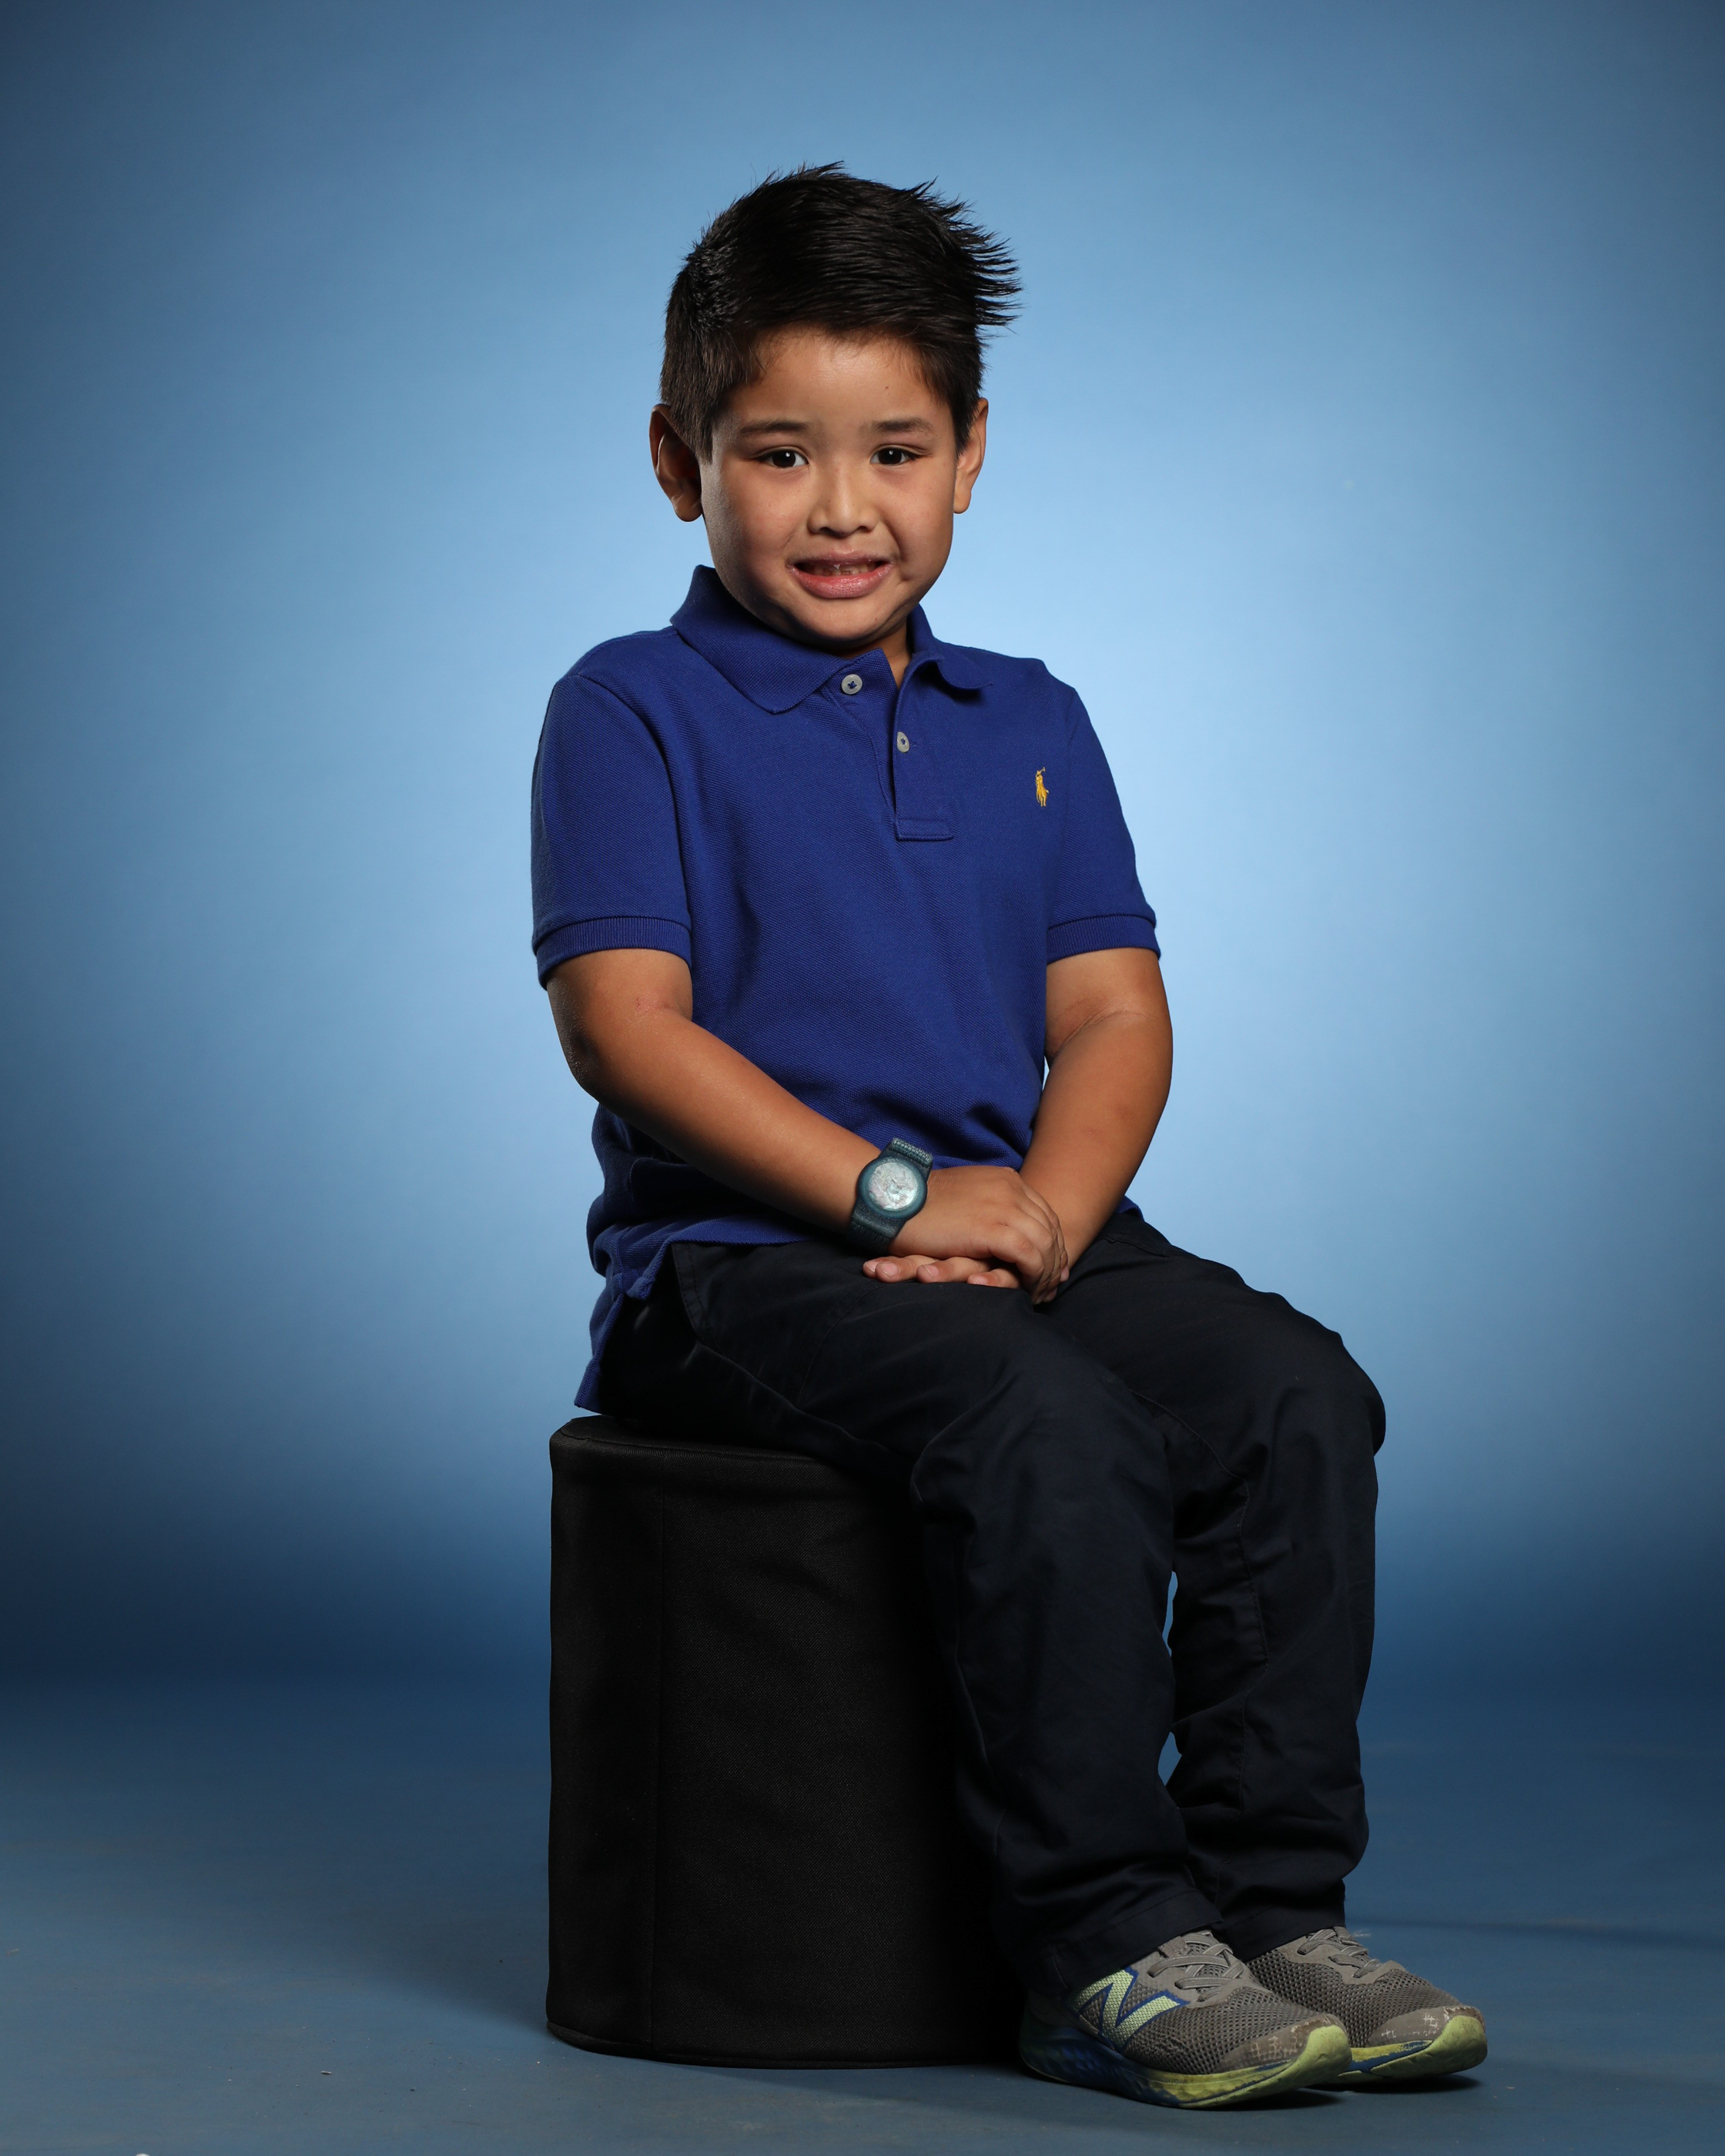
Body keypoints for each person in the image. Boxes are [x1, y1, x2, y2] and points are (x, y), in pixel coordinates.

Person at [530, 165, 1485, 2112]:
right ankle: (1102, 1937)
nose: (841, 507)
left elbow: (1112, 1012)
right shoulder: (629, 707)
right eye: (778, 453)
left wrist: (1044, 1209)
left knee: (1294, 1394)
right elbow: (624, 1028)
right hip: (743, 1262)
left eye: (894, 451)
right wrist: (896, 1193)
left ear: (970, 456)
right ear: (678, 460)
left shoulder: (1029, 716)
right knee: (1042, 1420)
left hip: (1025, 1215)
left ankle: (1270, 1902)